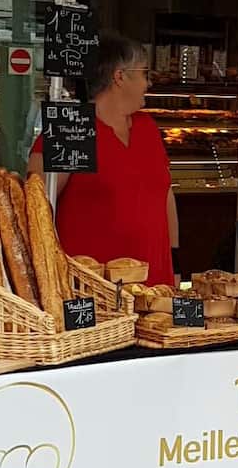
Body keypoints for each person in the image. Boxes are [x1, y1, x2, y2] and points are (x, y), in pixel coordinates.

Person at [28, 34, 177, 285]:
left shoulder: (147, 127)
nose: (148, 83)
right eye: (143, 73)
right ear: (120, 77)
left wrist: (176, 260)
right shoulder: (71, 130)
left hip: (155, 285)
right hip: (92, 289)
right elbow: (35, 207)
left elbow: (165, 195)